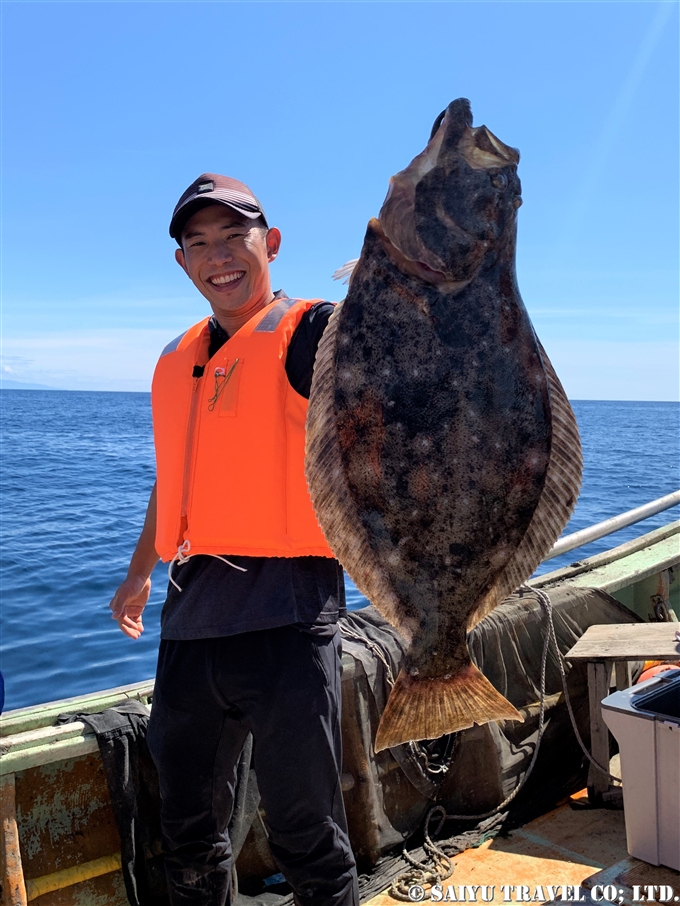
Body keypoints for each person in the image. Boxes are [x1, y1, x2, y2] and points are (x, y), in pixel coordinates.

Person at [109, 173, 359, 906]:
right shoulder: (176, 358)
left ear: (270, 244)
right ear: (184, 263)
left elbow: (391, 368)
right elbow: (175, 480)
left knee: (306, 833)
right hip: (191, 618)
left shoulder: (314, 331)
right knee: (186, 830)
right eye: (200, 243)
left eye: (234, 236)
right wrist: (138, 573)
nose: (219, 255)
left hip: (288, 611)